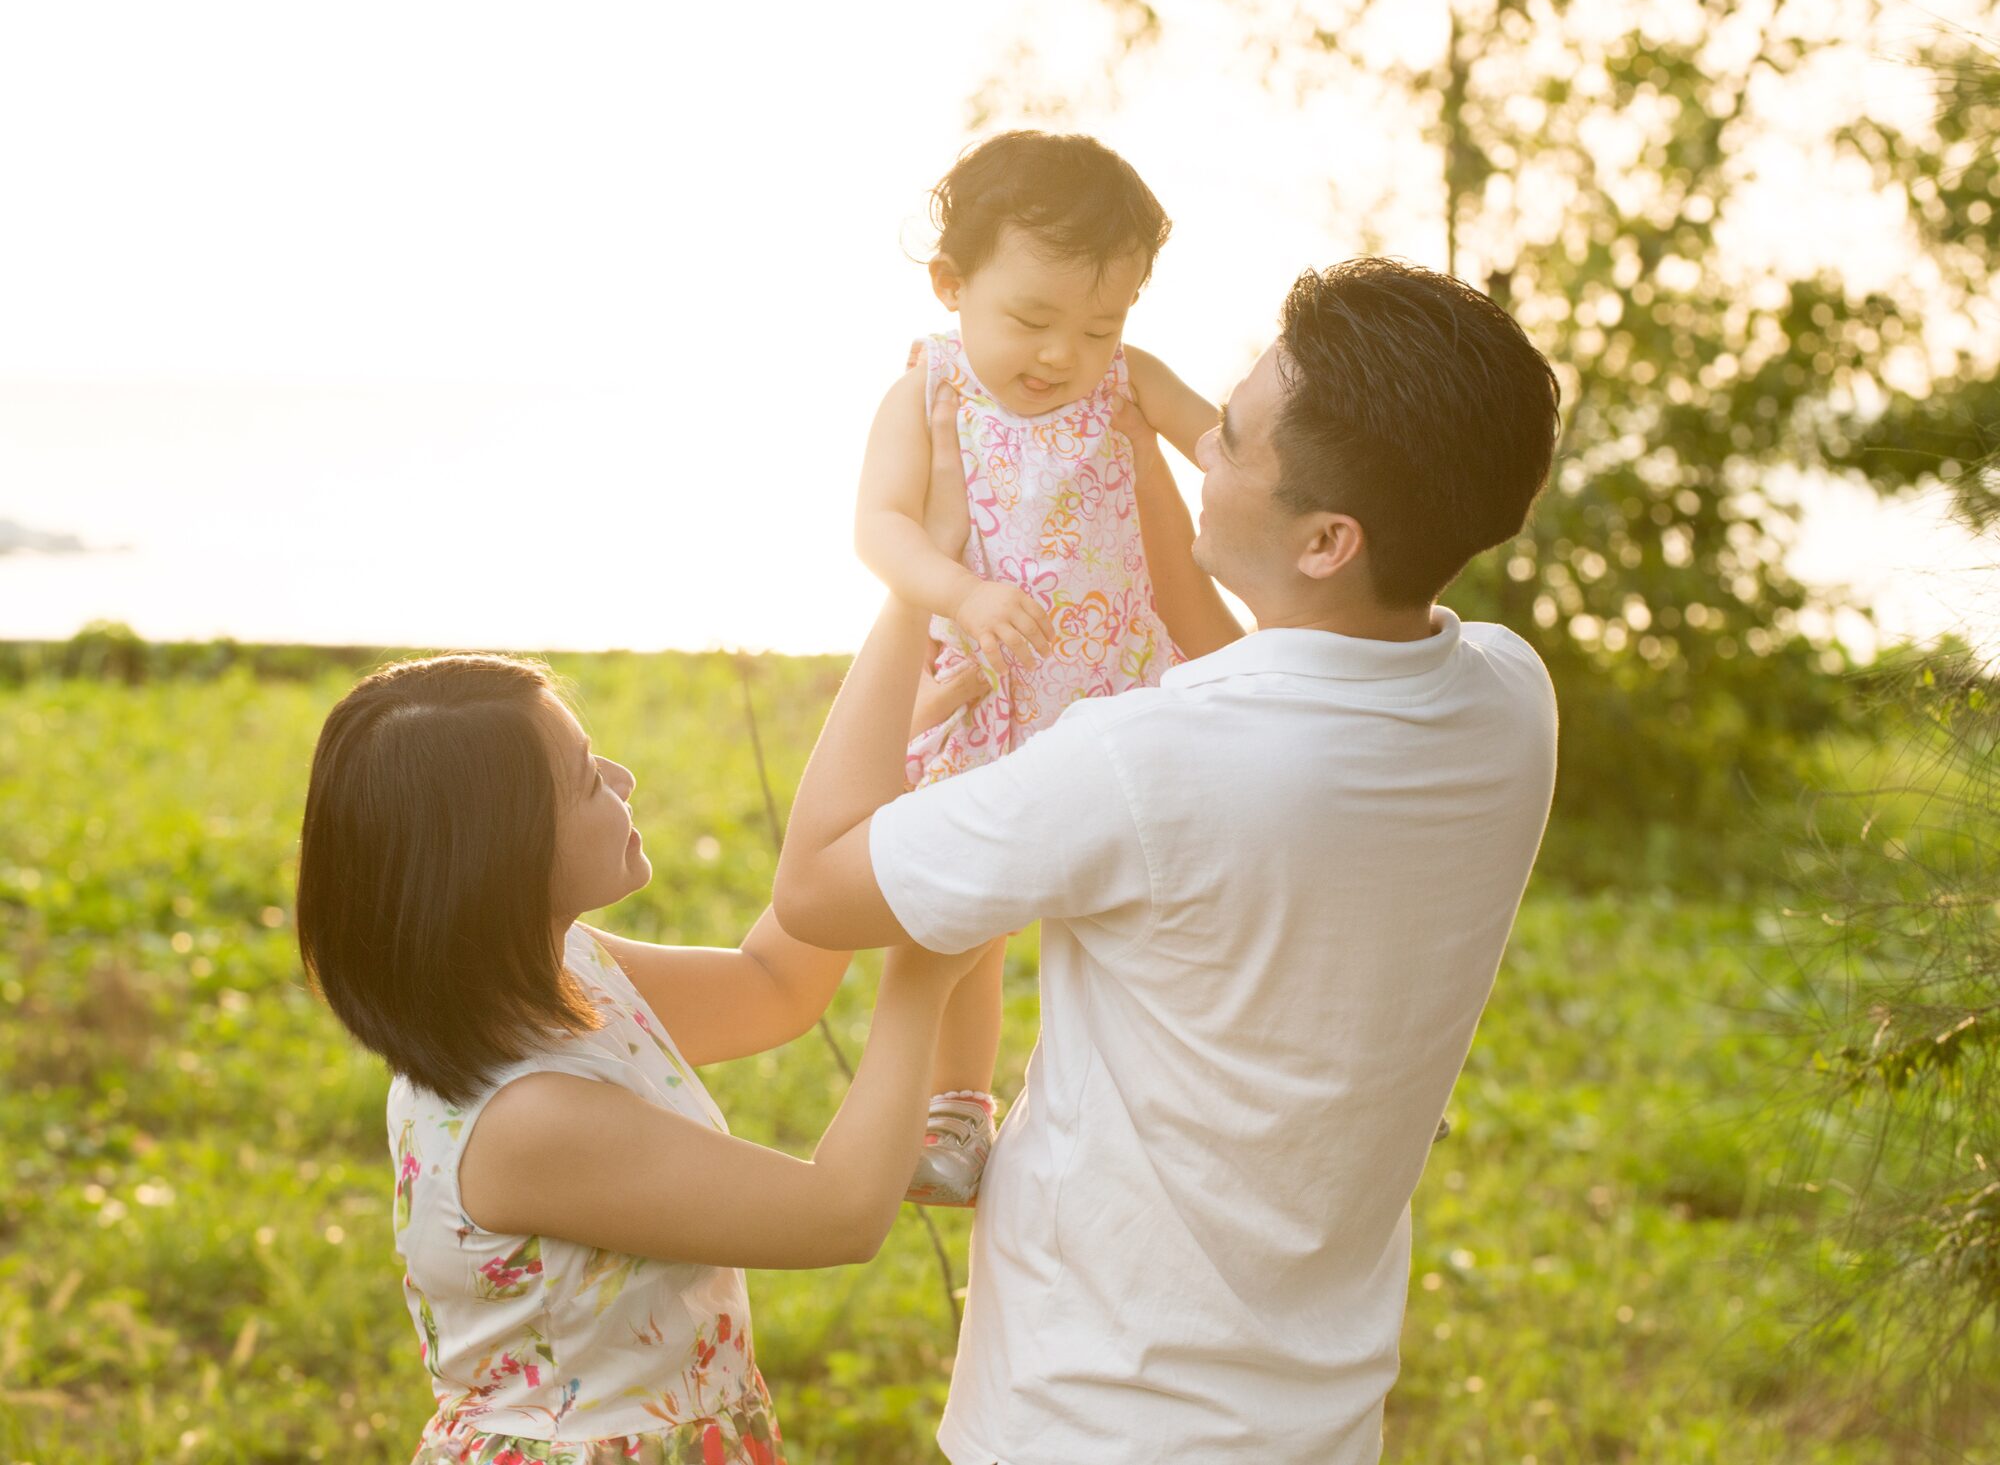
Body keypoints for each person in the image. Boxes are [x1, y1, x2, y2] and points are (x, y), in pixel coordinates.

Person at [776, 257, 1564, 1464]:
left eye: (1230, 440)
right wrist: (1132, 456)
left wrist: (914, 579)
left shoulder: (1145, 764)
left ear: (1327, 539)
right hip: (1319, 1416)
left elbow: (817, 888)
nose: (1201, 449)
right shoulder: (1508, 703)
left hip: (1091, 1417)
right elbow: (1263, 663)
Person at [293, 642, 986, 1452]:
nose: (623, 779)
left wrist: (883, 773)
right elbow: (839, 1214)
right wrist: (920, 980)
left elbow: (773, 984)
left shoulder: (556, 972)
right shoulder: (529, 1120)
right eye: (587, 779)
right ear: (502, 858)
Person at [854, 130, 1226, 1205]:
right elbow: (878, 527)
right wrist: (961, 592)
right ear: (950, 283)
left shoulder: (1123, 384)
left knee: (1183, 895)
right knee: (958, 930)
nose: (1063, 353)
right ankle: (956, 1111)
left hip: (1120, 694)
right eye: (1030, 319)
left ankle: (1281, 1059)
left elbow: (1225, 450)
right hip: (985, 698)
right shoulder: (930, 391)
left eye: (1100, 324)